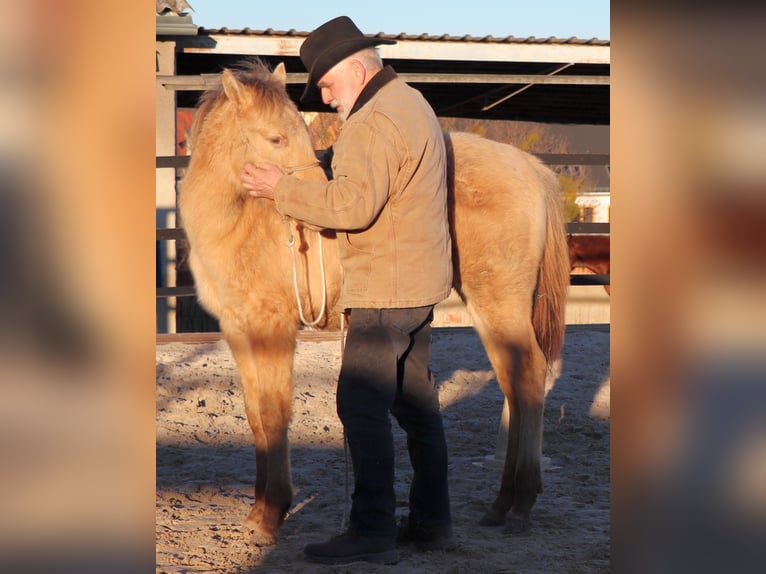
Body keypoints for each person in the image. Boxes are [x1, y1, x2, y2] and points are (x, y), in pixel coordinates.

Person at [241, 16, 455, 565]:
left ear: (356, 71)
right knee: (417, 408)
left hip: (385, 288)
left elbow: (353, 207)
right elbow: (388, 178)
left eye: (329, 87)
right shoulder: (410, 102)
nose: (328, 100)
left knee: (361, 407)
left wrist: (279, 188)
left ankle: (371, 531)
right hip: (419, 283)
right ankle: (433, 523)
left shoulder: (374, 120)